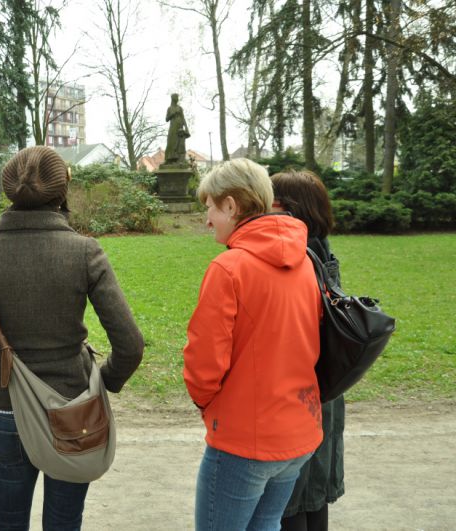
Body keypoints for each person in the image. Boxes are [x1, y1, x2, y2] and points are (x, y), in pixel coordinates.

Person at [0, 146, 145, 531]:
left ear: (8, 191)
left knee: (8, 521)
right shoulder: (85, 252)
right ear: (62, 190)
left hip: (5, 406)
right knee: (64, 522)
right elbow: (130, 345)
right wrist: (105, 382)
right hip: (74, 407)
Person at [183, 158, 324, 530]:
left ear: (231, 205)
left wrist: (207, 403)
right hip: (298, 431)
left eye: (211, 207)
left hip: (245, 439)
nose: (207, 219)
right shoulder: (305, 262)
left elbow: (204, 363)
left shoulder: (229, 268)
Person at [271, 170, 345, 531]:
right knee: (313, 494)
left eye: (270, 200)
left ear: (288, 208)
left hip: (301, 390)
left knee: (292, 497)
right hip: (325, 388)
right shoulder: (322, 251)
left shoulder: (296, 257)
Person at [164, 93, 190, 165]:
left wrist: (186, 127)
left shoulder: (180, 108)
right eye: (176, 97)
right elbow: (166, 119)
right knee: (171, 142)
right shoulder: (169, 108)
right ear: (173, 98)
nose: (177, 99)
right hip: (173, 127)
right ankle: (169, 159)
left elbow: (183, 118)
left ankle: (177, 159)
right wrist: (172, 114)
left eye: (178, 97)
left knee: (179, 143)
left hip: (180, 127)